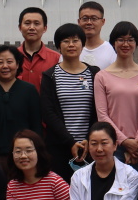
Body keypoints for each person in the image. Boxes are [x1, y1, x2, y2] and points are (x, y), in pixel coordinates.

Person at [41, 23, 99, 182]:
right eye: (66, 41)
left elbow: (98, 110)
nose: (71, 45)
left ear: (82, 44)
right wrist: (70, 142)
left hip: (90, 146)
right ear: (58, 46)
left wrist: (89, 138)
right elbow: (48, 113)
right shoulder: (50, 76)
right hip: (59, 146)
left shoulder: (94, 73)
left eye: (75, 40)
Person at [95, 21, 138, 169]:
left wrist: (137, 142)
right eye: (121, 39)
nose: (125, 44)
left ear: (136, 43)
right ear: (114, 43)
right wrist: (125, 141)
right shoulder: (101, 77)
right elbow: (102, 115)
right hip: (113, 145)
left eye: (130, 40)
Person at [0, 45, 42, 169]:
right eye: (0, 62)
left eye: (9, 62)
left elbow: (36, 125)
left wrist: (36, 151)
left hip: (22, 155)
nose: (5, 66)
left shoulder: (29, 90)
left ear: (17, 64)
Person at [16, 7, 60, 93]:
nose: (32, 27)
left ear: (45, 28)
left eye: (36, 23)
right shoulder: (12, 57)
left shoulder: (57, 59)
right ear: (20, 27)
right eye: (27, 23)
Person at [77, 1, 117, 69]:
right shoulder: (71, 49)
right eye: (85, 18)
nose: (89, 22)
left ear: (103, 22)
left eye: (94, 18)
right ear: (79, 22)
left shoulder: (112, 51)